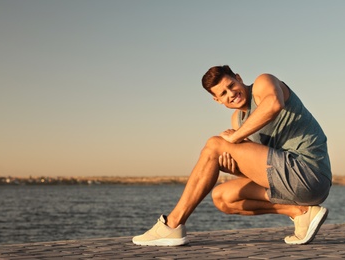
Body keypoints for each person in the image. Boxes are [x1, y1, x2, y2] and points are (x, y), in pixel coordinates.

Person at [132, 65, 332, 246]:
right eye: (223, 93)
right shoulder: (238, 119)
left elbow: (273, 104)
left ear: (238, 77)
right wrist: (236, 169)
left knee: (214, 144)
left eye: (231, 85)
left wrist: (235, 138)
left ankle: (172, 224)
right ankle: (301, 213)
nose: (231, 94)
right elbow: (264, 167)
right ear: (217, 100)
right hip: (291, 182)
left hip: (309, 173)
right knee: (223, 197)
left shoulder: (263, 84)